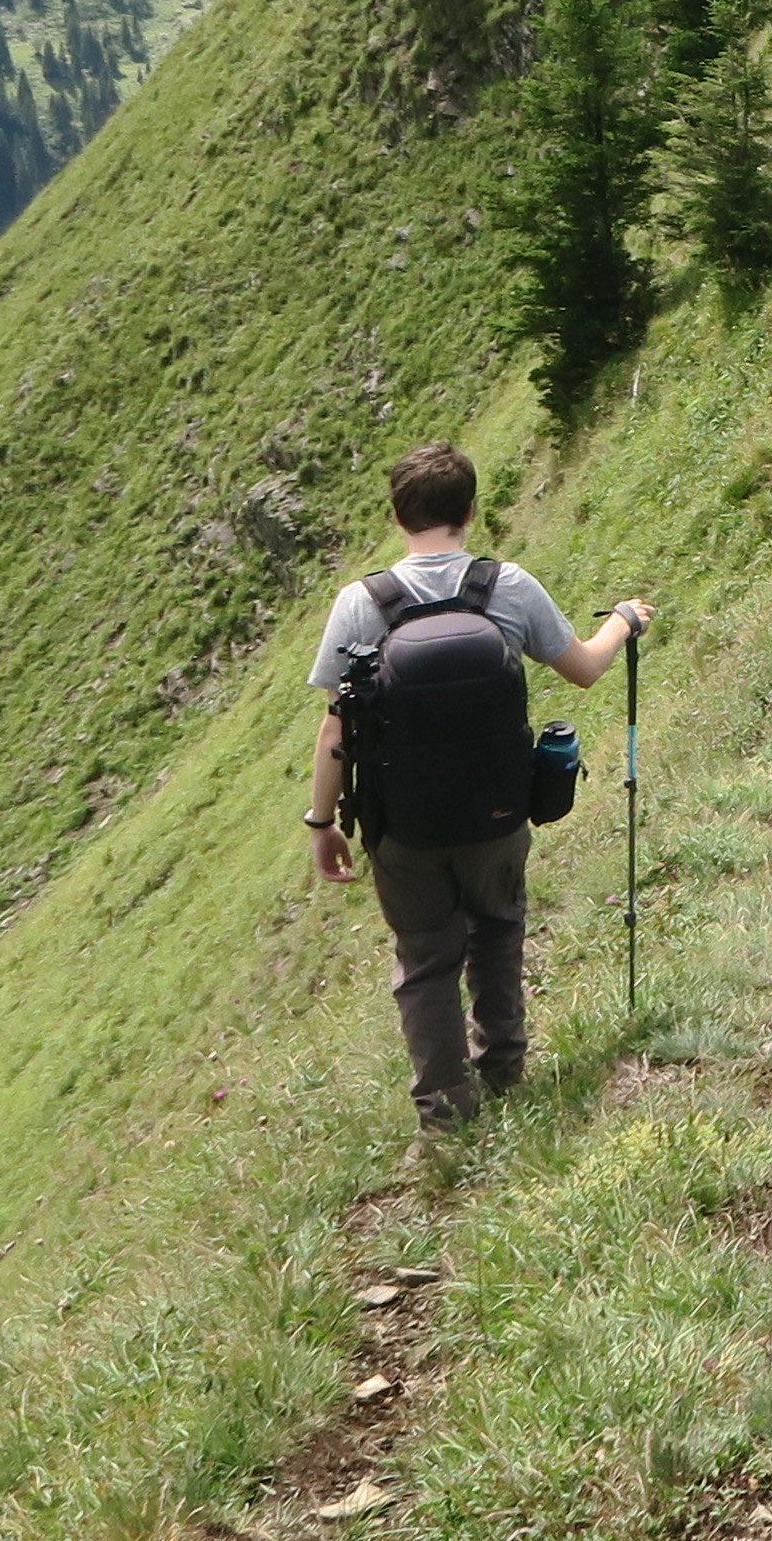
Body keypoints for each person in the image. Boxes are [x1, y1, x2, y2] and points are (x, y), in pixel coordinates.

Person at [307, 442, 649, 1129]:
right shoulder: (507, 586)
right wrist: (624, 620)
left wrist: (323, 825)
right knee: (498, 930)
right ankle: (505, 1073)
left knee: (426, 959)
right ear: (469, 511)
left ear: (397, 516)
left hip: (401, 824)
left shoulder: (362, 603)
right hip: (498, 810)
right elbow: (582, 669)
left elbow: (334, 728)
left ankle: (444, 1112)